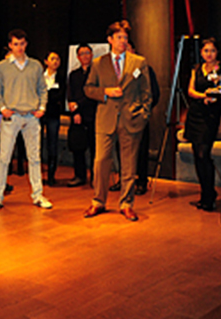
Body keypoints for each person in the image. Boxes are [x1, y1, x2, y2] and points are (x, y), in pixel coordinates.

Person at [83, 20, 151, 221]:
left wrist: (143, 115)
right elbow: (88, 89)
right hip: (105, 119)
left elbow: (146, 93)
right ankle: (98, 201)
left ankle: (126, 204)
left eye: (125, 38)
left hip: (131, 119)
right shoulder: (98, 63)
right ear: (110, 40)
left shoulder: (139, 62)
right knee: (101, 161)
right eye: (119, 37)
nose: (123, 41)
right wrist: (105, 92)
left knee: (129, 164)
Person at [0, 29, 53, 212]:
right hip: (12, 117)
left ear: (26, 44)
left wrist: (42, 107)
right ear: (10, 45)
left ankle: (38, 195)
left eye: (22, 43)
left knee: (35, 158)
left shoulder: (35, 65)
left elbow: (42, 88)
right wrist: (2, 108)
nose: (19, 47)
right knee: (4, 158)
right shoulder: (2, 66)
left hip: (32, 117)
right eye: (15, 44)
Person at [184, 38, 221, 211]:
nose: (209, 54)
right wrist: (204, 96)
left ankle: (209, 194)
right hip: (195, 113)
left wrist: (219, 92)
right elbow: (190, 91)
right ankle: (206, 193)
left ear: (217, 52)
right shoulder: (196, 68)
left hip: (211, 115)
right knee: (197, 155)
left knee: (203, 154)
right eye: (206, 50)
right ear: (201, 52)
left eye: (212, 50)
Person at [129, 41, 160, 195]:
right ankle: (125, 181)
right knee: (122, 150)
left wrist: (143, 111)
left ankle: (141, 181)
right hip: (121, 116)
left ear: (134, 50)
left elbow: (154, 93)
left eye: (127, 48)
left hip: (139, 116)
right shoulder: (115, 70)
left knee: (141, 149)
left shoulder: (145, 68)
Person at [67, 44, 97, 187]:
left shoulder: (97, 73)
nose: (85, 56)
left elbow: (94, 94)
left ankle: (96, 177)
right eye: (82, 54)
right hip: (77, 116)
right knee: (77, 147)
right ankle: (79, 176)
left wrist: (78, 105)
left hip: (93, 114)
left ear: (92, 55)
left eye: (87, 53)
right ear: (78, 57)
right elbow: (70, 95)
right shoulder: (74, 75)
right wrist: (75, 111)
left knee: (95, 149)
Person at [41, 51, 66, 186]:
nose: (55, 61)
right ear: (46, 61)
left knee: (53, 144)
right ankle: (37, 175)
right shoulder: (39, 76)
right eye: (52, 59)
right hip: (39, 114)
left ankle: (51, 175)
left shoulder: (61, 78)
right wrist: (49, 96)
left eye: (57, 59)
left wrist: (46, 96)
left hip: (53, 115)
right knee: (37, 145)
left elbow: (59, 95)